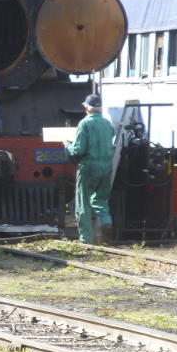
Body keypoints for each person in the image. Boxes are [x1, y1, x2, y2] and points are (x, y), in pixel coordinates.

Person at [65, 93, 115, 244]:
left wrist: (67, 144)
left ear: (86, 108)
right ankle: (107, 223)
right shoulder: (107, 124)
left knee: (83, 203)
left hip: (89, 167)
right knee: (101, 200)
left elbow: (78, 150)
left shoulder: (84, 124)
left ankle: (86, 239)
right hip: (106, 167)